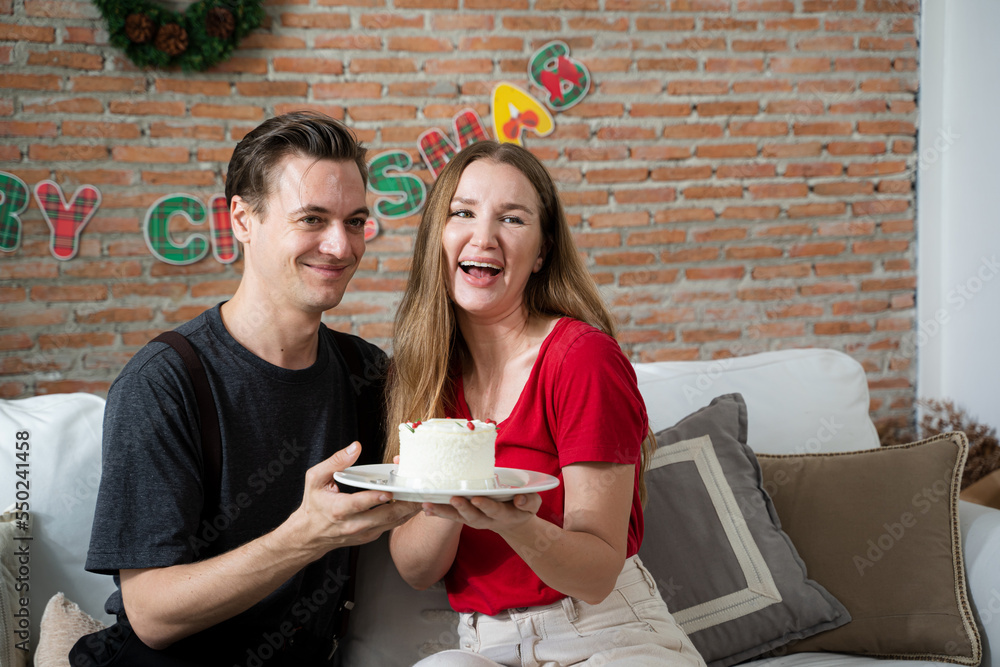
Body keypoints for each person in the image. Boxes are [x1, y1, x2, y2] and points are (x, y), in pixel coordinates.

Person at [73, 111, 418, 667]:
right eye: (312, 219)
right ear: (242, 218)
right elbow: (152, 616)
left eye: (356, 221)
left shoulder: (366, 372)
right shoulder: (165, 381)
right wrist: (305, 535)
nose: (341, 246)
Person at [385, 141, 707, 667]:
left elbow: (598, 575)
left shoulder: (583, 359)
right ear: (435, 238)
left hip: (607, 636)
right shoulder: (424, 371)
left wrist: (515, 524)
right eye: (462, 213)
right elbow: (417, 570)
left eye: (511, 219)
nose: (483, 236)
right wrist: (448, 502)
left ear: (541, 252)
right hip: (483, 647)